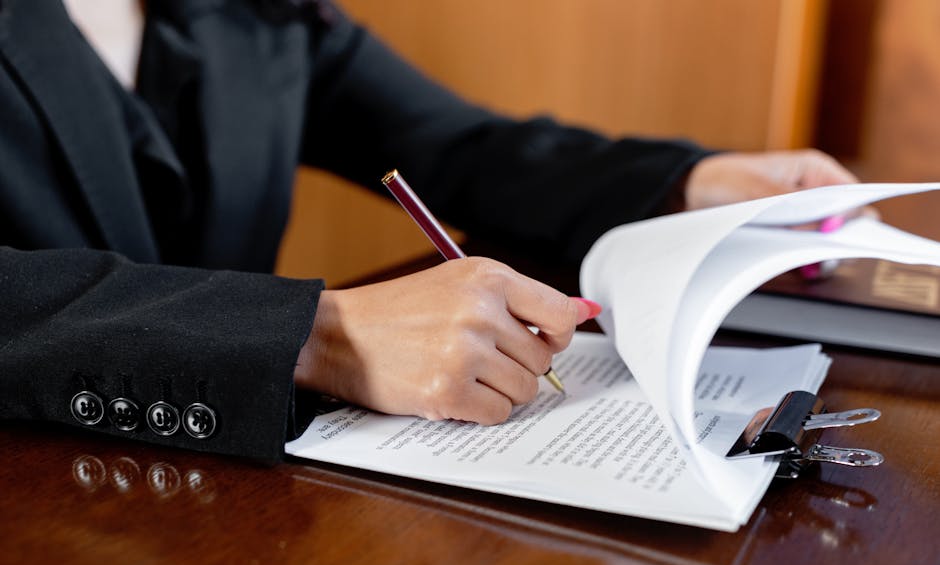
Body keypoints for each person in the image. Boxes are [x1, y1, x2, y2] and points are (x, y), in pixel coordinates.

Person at [0, 0, 860, 462]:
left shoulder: (261, 14)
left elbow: (461, 147)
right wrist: (311, 334)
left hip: (239, 504)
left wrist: (693, 182)